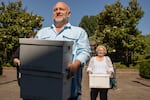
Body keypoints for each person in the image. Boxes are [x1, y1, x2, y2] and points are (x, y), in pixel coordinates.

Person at [13, 2, 91, 100]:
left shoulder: (79, 32)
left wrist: (76, 64)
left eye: (61, 9)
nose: (58, 11)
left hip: (69, 89)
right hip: (43, 89)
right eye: (55, 10)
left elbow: (85, 51)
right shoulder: (42, 32)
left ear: (68, 14)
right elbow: (35, 53)